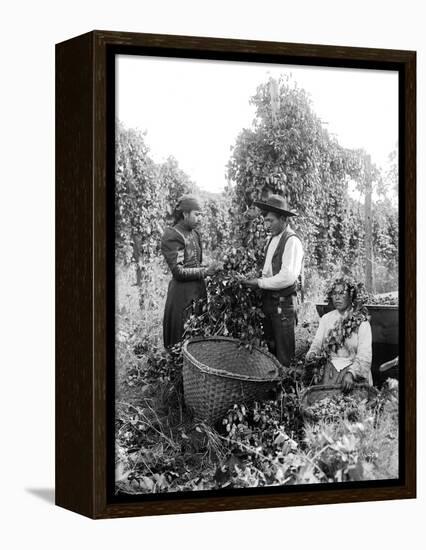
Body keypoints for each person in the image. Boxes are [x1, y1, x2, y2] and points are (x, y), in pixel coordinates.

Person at [241, 194, 304, 367]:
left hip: (282, 305)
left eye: (271, 221)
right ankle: (274, 388)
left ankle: (287, 390)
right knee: (272, 350)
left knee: (284, 354)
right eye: (266, 221)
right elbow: (268, 271)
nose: (267, 225)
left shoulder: (292, 241)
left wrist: (259, 283)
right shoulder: (272, 239)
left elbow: (287, 277)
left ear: (283, 219)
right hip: (269, 302)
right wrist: (255, 279)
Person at [161, 194, 221, 349]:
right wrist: (205, 271)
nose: (199, 219)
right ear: (184, 214)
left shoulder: (194, 234)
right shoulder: (173, 235)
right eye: (196, 215)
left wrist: (213, 267)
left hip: (198, 293)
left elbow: (195, 263)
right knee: (181, 339)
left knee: (197, 337)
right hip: (182, 296)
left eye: (201, 215)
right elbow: (178, 271)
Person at [304, 276, 373, 390]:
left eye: (342, 293)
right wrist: (312, 354)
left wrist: (351, 374)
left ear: (351, 295)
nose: (337, 297)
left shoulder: (362, 322)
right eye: (334, 293)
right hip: (329, 373)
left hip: (353, 376)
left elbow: (365, 355)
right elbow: (317, 344)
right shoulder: (326, 319)